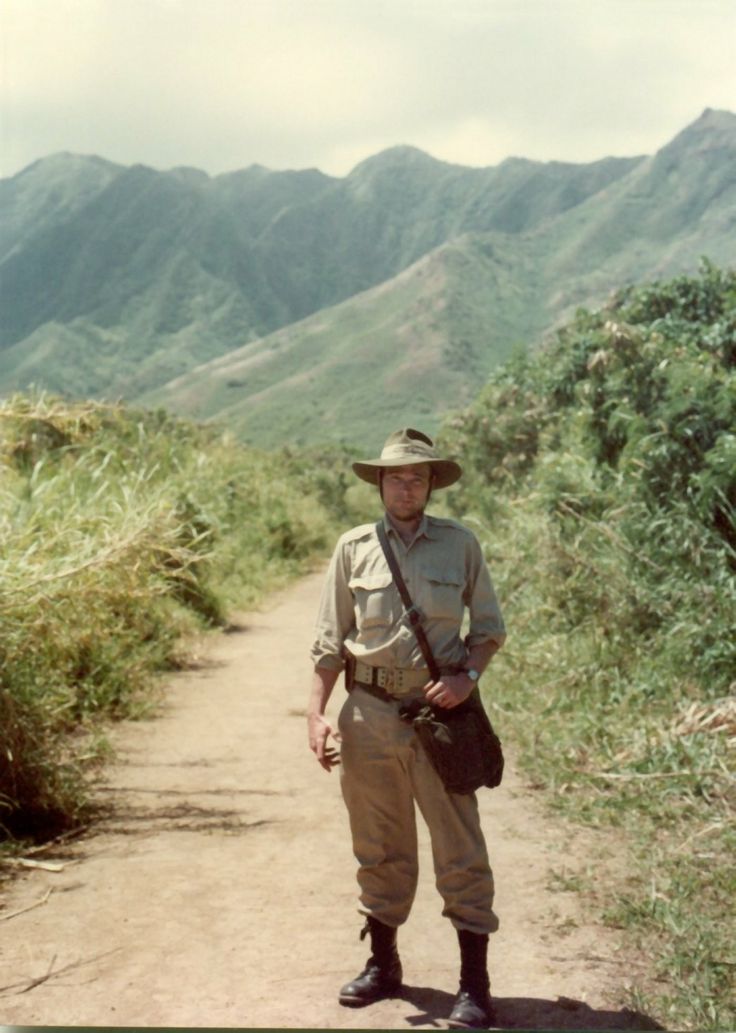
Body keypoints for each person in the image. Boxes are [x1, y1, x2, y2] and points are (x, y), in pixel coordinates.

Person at [307, 427, 506, 1030]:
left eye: (416, 477)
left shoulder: (460, 545)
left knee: (459, 844)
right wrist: (315, 714)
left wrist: (467, 677)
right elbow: (327, 642)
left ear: (430, 484)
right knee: (379, 840)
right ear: (380, 483)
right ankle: (383, 964)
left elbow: (489, 628)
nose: (406, 485)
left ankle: (474, 983)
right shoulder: (353, 547)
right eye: (396, 476)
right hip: (367, 711)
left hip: (439, 715)